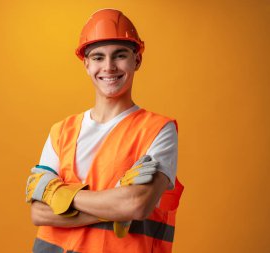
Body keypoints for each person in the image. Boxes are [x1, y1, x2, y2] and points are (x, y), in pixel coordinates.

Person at [26, 8, 184, 253]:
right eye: (98, 57)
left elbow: (136, 204)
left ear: (137, 60)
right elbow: (39, 212)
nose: (109, 67)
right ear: (86, 64)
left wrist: (59, 195)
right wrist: (115, 204)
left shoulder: (158, 130)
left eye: (119, 55)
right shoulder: (61, 132)